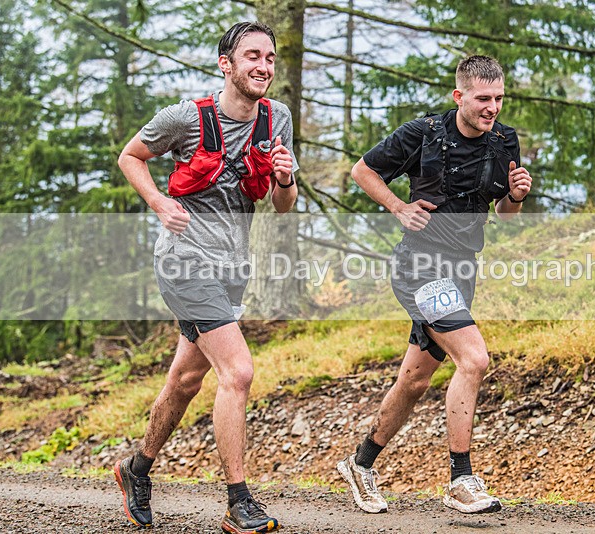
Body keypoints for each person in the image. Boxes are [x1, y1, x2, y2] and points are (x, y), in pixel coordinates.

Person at [114, 21, 297, 533]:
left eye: (270, 57)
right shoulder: (186, 119)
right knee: (236, 372)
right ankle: (239, 501)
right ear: (227, 65)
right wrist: (158, 202)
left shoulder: (276, 117)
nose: (263, 66)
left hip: (231, 269)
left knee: (187, 378)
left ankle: (137, 468)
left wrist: (284, 177)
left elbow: (284, 207)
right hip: (183, 260)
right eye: (252, 56)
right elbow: (131, 156)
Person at [337, 55, 531, 515]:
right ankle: (461, 479)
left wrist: (517, 196)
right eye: (484, 99)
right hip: (420, 266)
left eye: (499, 98)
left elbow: (506, 214)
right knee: (474, 358)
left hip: (464, 269)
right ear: (459, 96)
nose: (493, 108)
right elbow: (362, 171)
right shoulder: (422, 133)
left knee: (416, 378)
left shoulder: (505, 140)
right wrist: (397, 207)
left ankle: (360, 464)